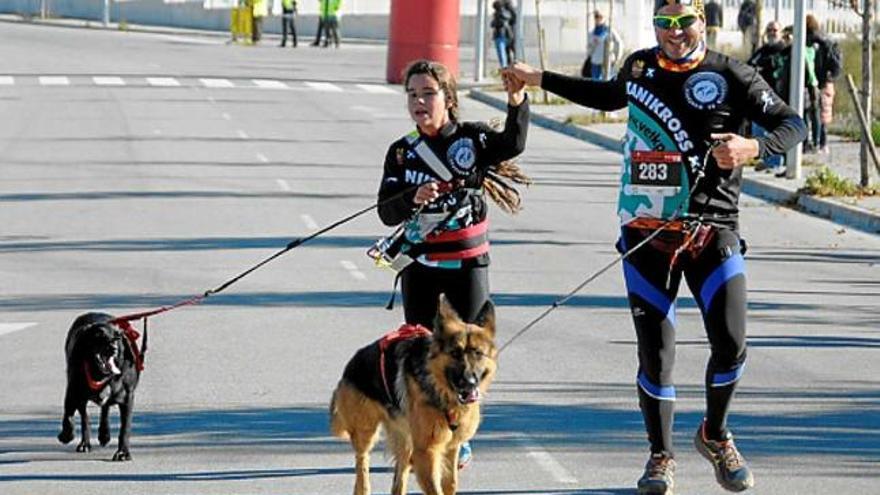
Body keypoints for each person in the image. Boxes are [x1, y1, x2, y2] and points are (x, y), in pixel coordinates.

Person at [505, 1, 805, 493]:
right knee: (655, 354)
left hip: (712, 228)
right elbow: (605, 96)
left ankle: (716, 434)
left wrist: (752, 148)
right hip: (646, 231)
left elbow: (793, 125)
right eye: (663, 23)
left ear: (702, 21)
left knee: (730, 344)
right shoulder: (640, 66)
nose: (674, 32)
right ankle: (660, 456)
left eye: (683, 21)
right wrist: (538, 78)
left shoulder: (733, 74)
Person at [372, 59, 528, 471]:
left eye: (428, 93)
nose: (419, 102)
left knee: (470, 355)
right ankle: (429, 432)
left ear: (449, 99)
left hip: (467, 265)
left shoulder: (472, 139)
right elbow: (385, 212)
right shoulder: (402, 152)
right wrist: (411, 197)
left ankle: (461, 433)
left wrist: (517, 101)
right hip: (421, 266)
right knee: (427, 354)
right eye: (412, 95)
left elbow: (512, 143)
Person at [748, 21, 787, 171]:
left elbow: (778, 67)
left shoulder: (783, 50)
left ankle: (776, 162)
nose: (772, 32)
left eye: (775, 30)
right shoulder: (762, 50)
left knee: (773, 131)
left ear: (781, 32)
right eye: (769, 29)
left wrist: (764, 66)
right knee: (758, 131)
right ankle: (766, 159)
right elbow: (750, 65)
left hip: (776, 96)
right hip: (759, 96)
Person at [806, 14, 842, 154]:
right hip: (827, 81)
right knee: (823, 112)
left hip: (818, 81)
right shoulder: (828, 40)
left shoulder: (814, 41)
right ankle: (821, 143)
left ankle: (819, 142)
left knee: (817, 112)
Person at [581, 9, 622, 80]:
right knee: (595, 81)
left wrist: (617, 56)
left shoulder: (609, 31)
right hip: (595, 62)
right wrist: (591, 49)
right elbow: (589, 49)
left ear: (604, 18)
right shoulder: (592, 33)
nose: (598, 19)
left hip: (607, 61)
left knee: (606, 80)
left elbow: (618, 43)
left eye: (600, 16)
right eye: (596, 17)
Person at [490, 0, 517, 68]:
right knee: (507, 53)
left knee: (504, 53)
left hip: (505, 35)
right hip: (508, 34)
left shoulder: (503, 12)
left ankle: (507, 68)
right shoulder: (501, 12)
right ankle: (509, 68)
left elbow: (495, 23)